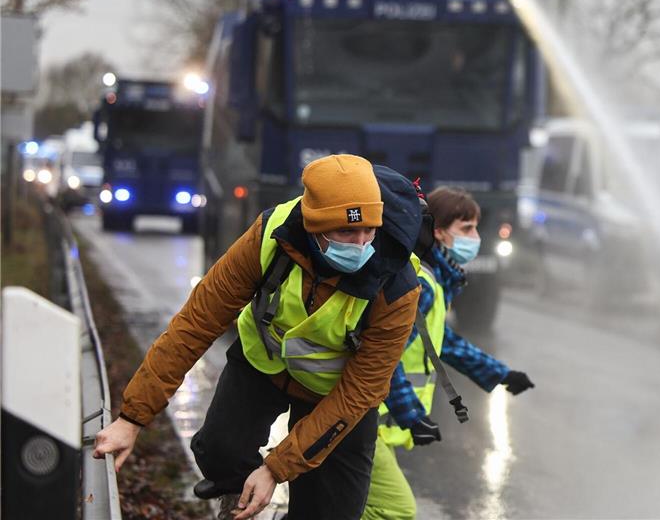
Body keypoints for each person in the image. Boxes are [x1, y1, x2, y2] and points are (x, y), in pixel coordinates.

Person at [94, 154, 423, 520]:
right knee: (219, 452)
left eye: (369, 231)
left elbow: (361, 391)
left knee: (331, 511)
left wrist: (275, 469)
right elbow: (197, 322)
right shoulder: (270, 235)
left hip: (336, 393)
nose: (361, 245)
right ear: (313, 226)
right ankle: (238, 504)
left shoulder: (398, 286)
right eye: (346, 233)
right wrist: (133, 418)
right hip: (263, 364)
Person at [362, 186, 536, 520]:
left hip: (375, 423)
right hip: (369, 421)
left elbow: (444, 342)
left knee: (359, 505)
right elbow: (384, 358)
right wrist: (412, 416)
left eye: (476, 228)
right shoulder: (423, 286)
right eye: (466, 228)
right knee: (395, 510)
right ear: (439, 232)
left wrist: (500, 375)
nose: (475, 237)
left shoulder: (432, 279)